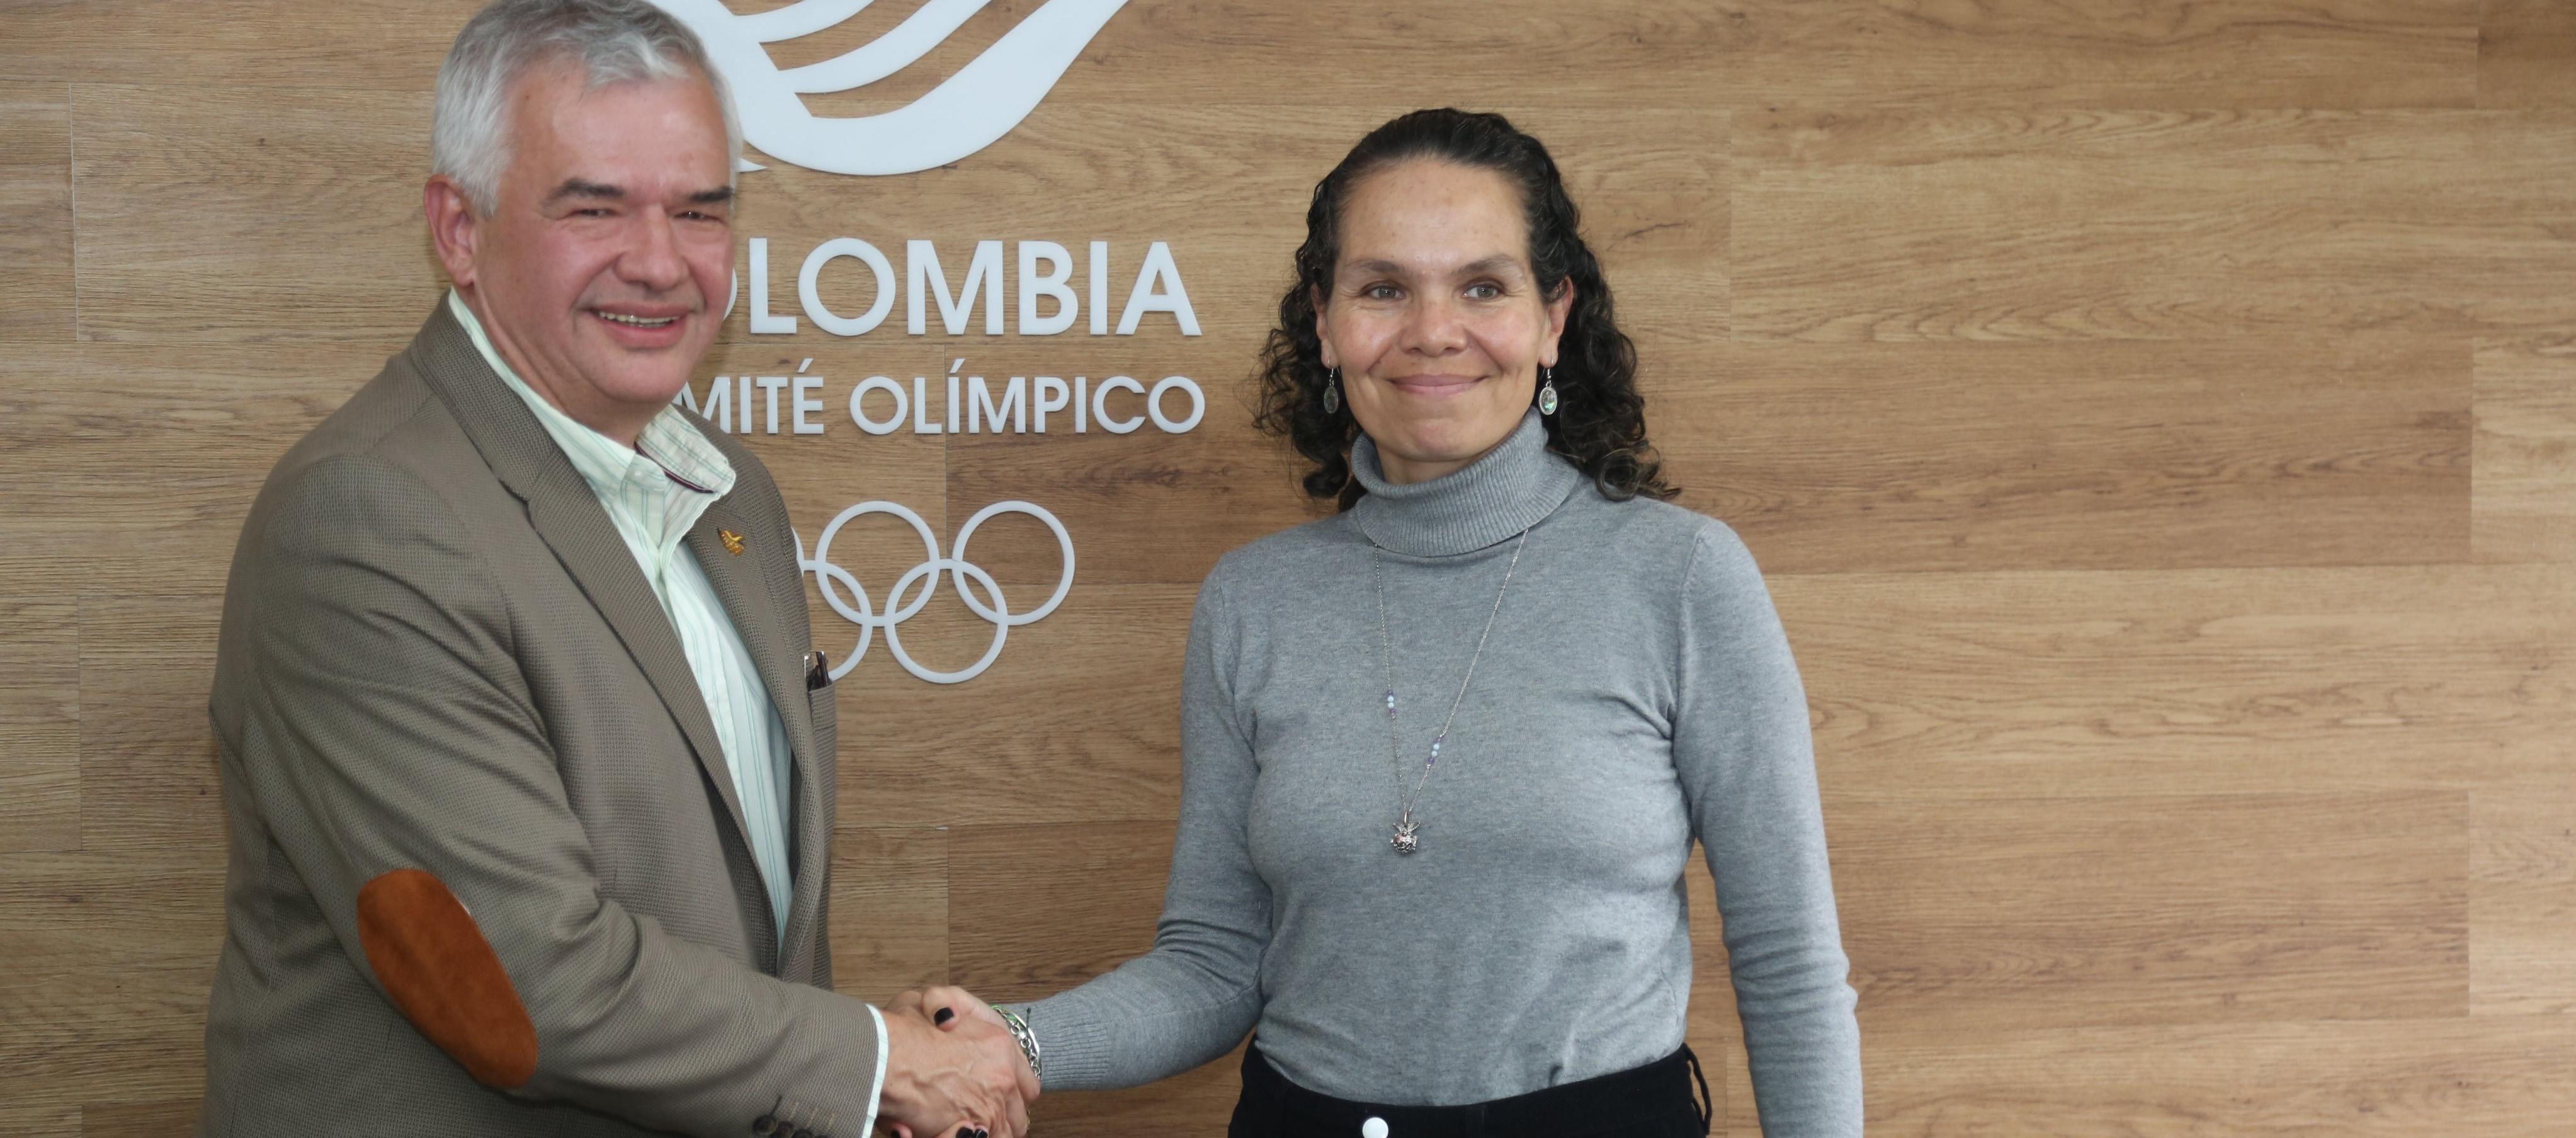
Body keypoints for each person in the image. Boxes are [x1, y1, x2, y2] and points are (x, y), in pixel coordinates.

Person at [919, 109, 1864, 1135]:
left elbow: (1789, 962)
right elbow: (1217, 963)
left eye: (1483, 287)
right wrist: (1012, 1043)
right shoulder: (1253, 599)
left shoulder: (1681, 576)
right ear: (1324, 323)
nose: (1433, 331)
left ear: (1554, 320)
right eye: (1383, 289)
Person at [198, 3, 1032, 1135]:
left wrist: (837, 1076)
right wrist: (868, 1063)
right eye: (594, 209)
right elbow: (520, 986)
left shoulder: (730, 490)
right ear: (458, 229)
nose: (659, 262)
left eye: (700, 211)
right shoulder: (368, 521)